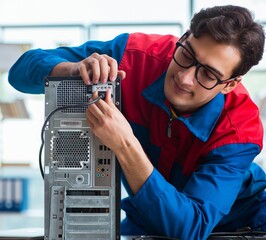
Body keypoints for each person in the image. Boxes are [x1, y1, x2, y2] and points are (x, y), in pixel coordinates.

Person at [8, 4, 266, 240]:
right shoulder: (132, 56)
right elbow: (19, 72)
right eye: (188, 55)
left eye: (208, 74)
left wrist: (125, 144)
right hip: (148, 217)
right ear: (183, 38)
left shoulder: (240, 130)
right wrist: (71, 71)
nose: (185, 78)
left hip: (240, 225)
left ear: (230, 84)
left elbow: (191, 228)